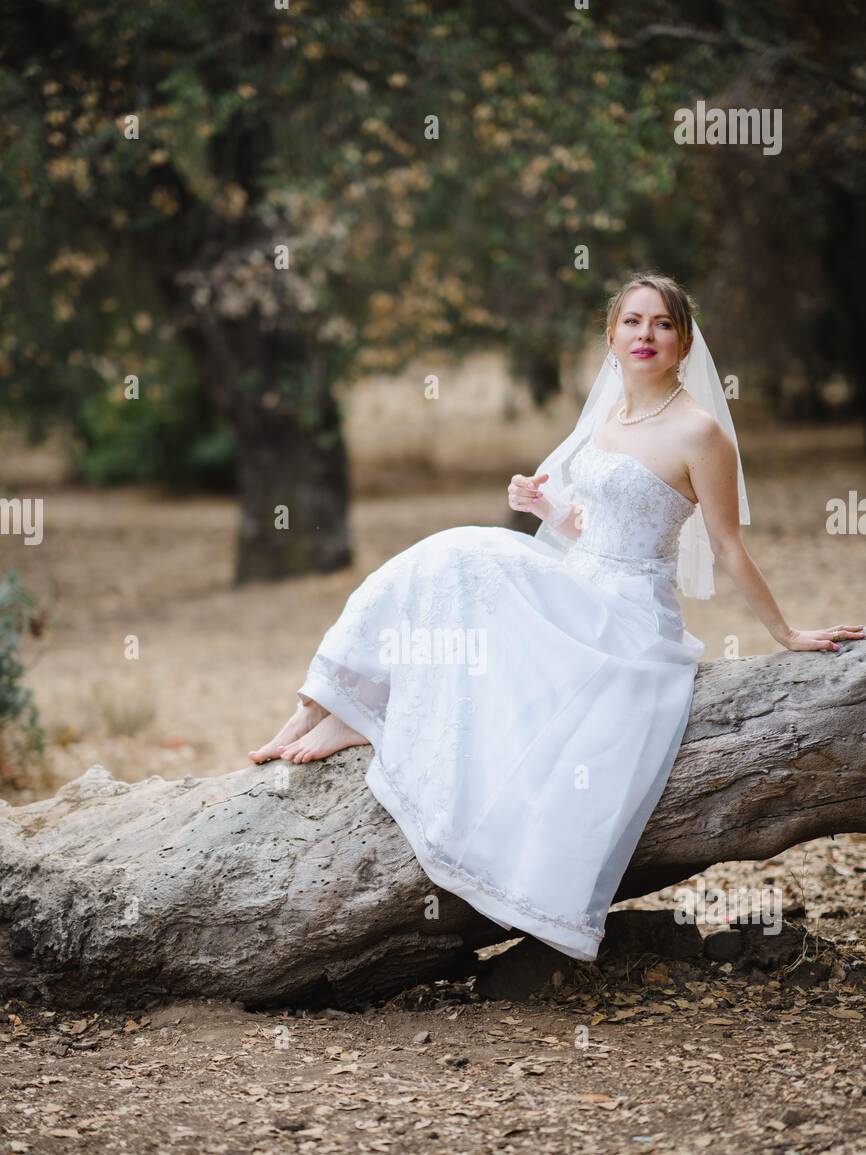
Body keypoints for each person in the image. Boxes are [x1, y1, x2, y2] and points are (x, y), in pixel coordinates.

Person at [249, 271, 863, 961]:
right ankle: (329, 702)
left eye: (662, 324)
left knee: (464, 554)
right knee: (449, 559)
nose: (645, 336)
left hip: (629, 616)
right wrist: (548, 512)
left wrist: (786, 632)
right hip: (579, 582)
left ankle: (363, 716)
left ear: (684, 342)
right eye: (632, 322)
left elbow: (725, 545)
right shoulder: (610, 418)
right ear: (611, 335)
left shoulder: (701, 433)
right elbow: (592, 525)